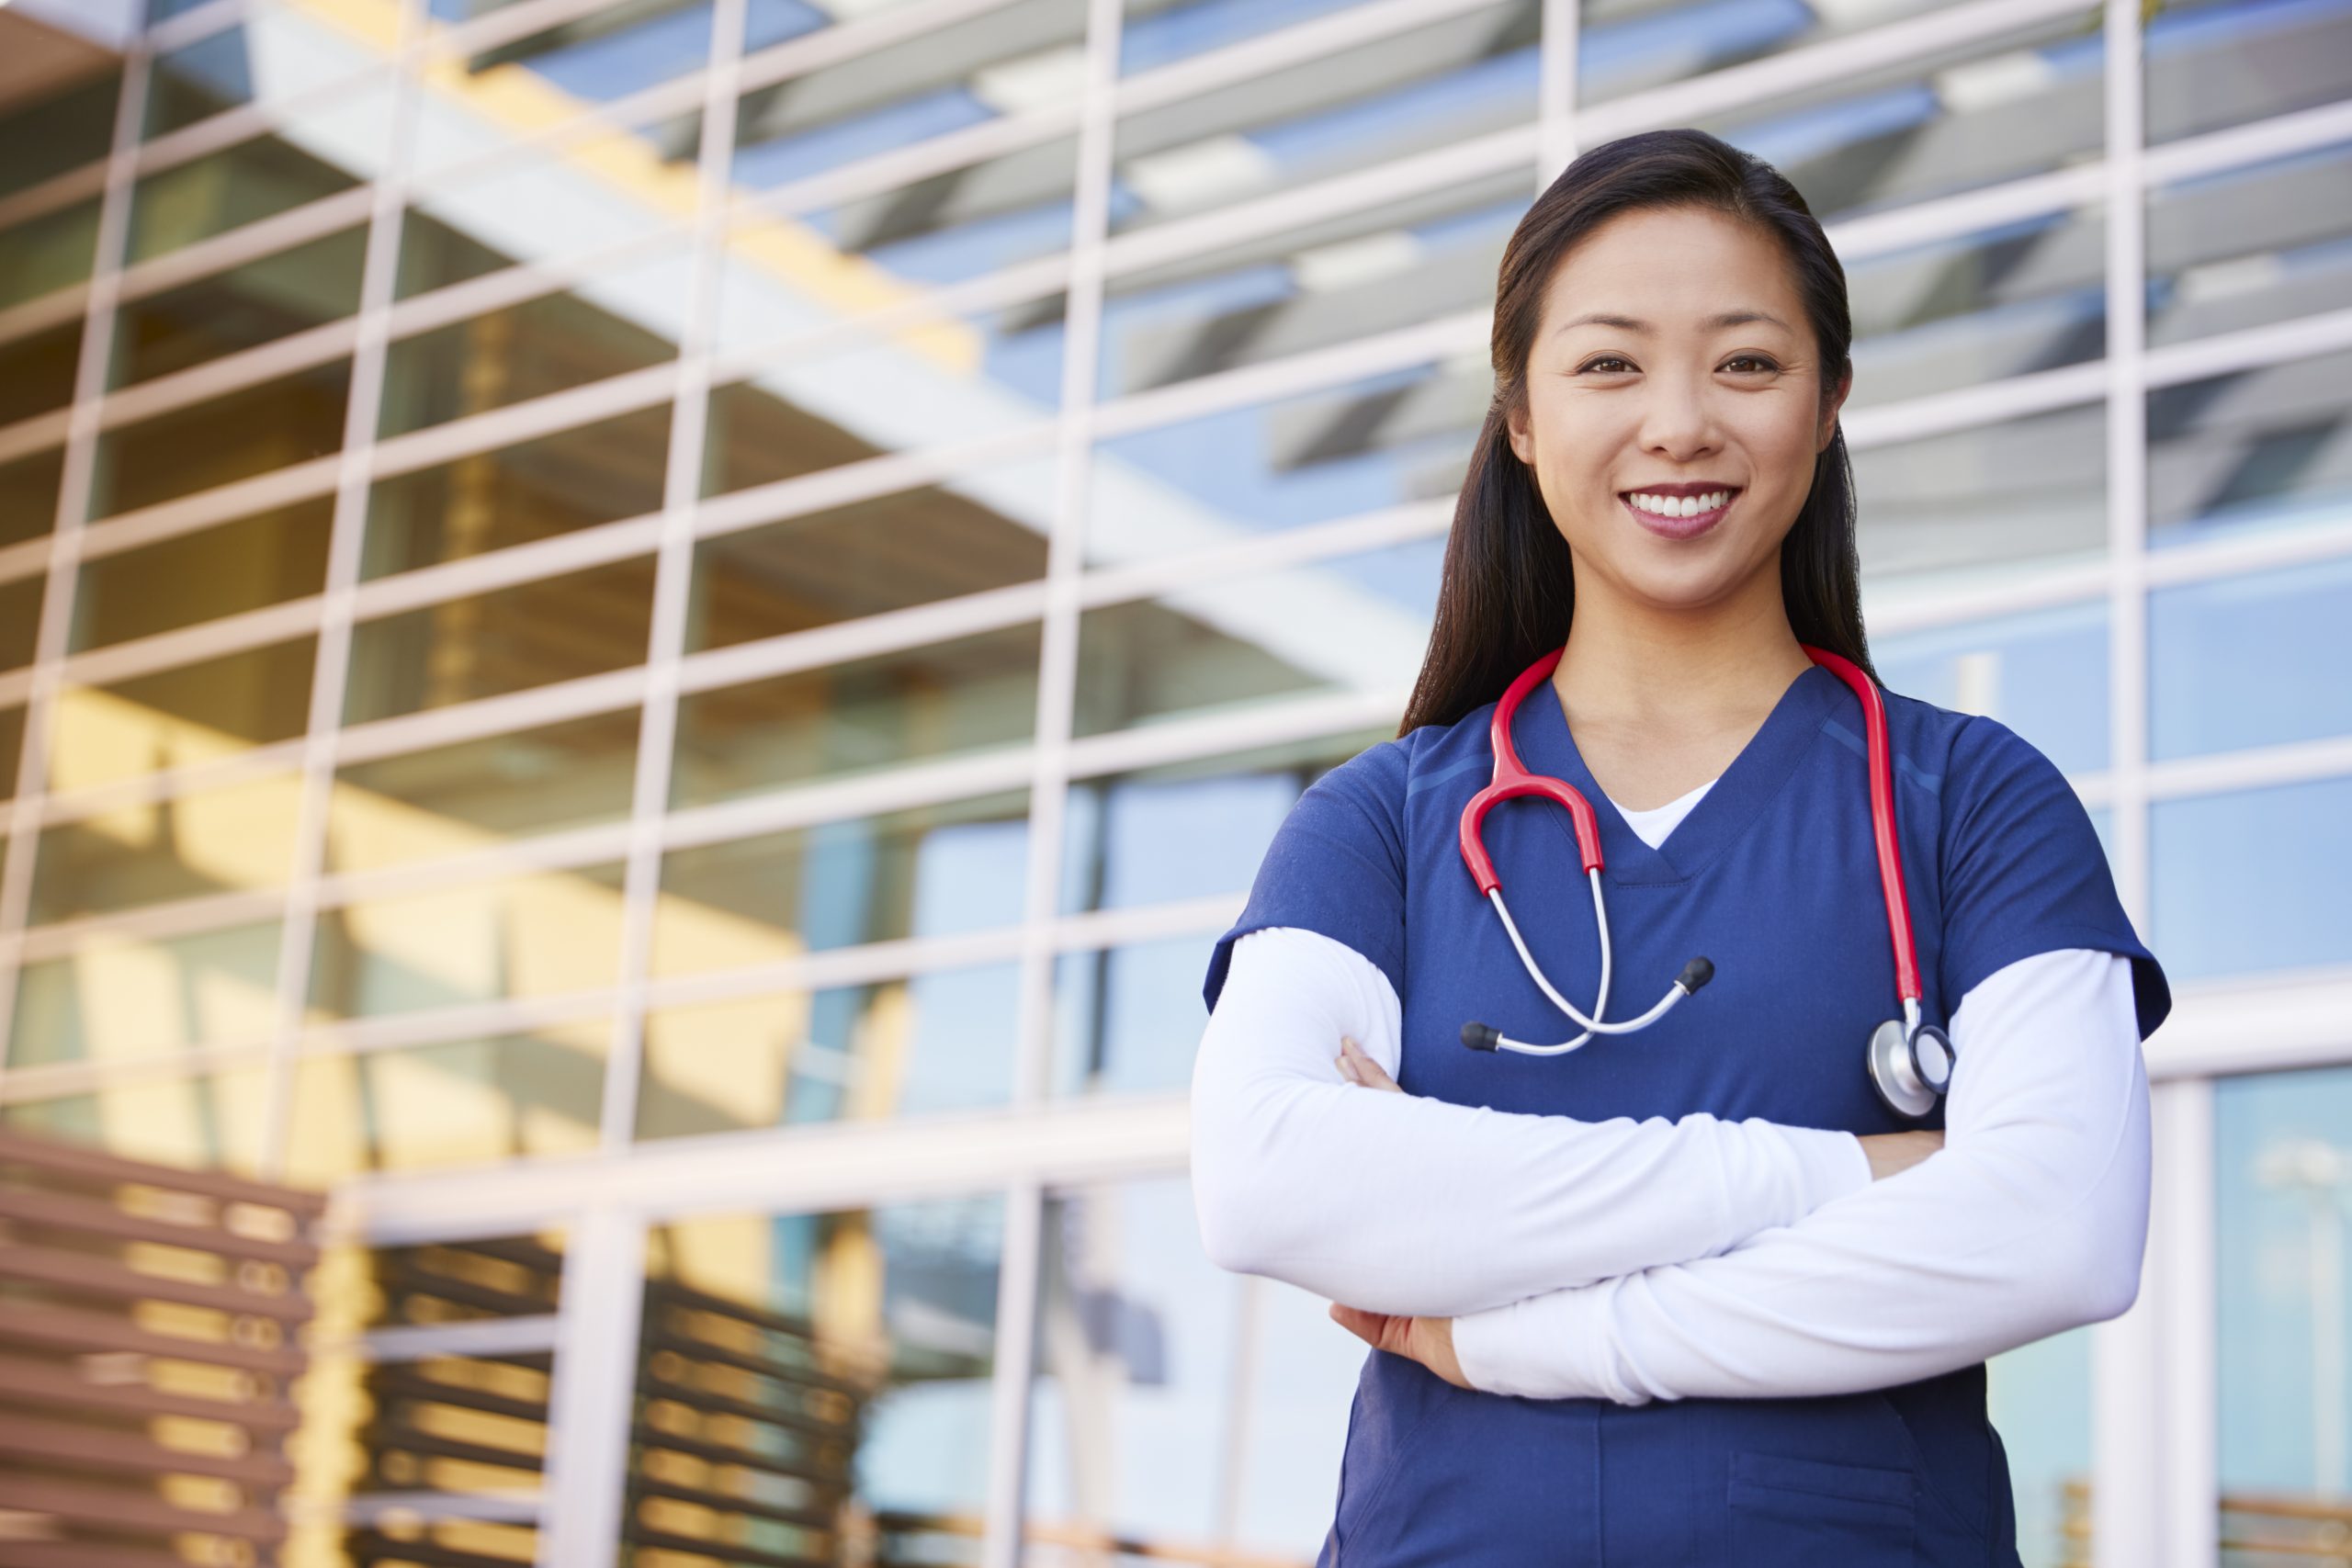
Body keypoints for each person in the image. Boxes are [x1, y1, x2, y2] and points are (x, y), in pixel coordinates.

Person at [1186, 127, 2168, 1567]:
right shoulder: (1382, 824)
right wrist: (1849, 1174)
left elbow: (2060, 1229)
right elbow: (1268, 1180)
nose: (1681, 423)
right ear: (1519, 414)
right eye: (1609, 364)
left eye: (1748, 363)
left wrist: (1539, 1338)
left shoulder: (1973, 803)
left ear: (1829, 401)